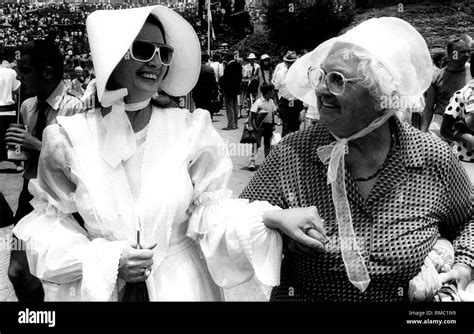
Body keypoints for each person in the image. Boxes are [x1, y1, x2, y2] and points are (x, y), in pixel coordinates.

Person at [11, 5, 287, 301]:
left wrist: (267, 219)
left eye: (164, 53)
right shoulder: (67, 137)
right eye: (143, 49)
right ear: (112, 54)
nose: (156, 61)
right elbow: (48, 226)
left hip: (183, 288)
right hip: (101, 292)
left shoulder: (190, 129)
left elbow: (212, 213)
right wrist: (107, 260)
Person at [240, 17, 474, 301]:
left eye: (337, 79)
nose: (322, 89)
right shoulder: (293, 152)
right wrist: (272, 219)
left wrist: (464, 265)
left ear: (380, 94)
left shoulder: (432, 156)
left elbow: (469, 220)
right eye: (320, 76)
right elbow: (233, 220)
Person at [5, 39, 85, 302]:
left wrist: (37, 145)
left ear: (48, 72)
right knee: (17, 270)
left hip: (65, 201)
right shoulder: (28, 106)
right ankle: (36, 314)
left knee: (73, 272)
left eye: (25, 71)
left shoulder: (75, 106)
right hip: (29, 199)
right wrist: (21, 148)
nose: (19, 77)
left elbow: (80, 161)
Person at [421, 35, 472, 137]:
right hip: (440, 125)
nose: (466, 55)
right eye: (462, 52)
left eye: (468, 51)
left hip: (467, 124)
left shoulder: (472, 72)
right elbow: (429, 108)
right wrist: (423, 134)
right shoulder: (436, 77)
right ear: (451, 54)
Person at [440, 52, 474, 184]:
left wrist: (462, 125)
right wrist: (465, 136)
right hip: (467, 161)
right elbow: (445, 130)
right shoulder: (461, 95)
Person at [272, 50, 303, 137]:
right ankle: (283, 148)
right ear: (285, 63)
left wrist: (304, 107)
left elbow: (304, 89)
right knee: (286, 126)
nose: (290, 65)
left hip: (297, 104)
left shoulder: (300, 73)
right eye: (288, 63)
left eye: (292, 62)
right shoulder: (280, 73)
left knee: (295, 127)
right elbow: (275, 90)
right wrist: (276, 104)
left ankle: (294, 148)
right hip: (284, 103)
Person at [247, 83, 277, 171]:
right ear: (268, 92)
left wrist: (273, 124)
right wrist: (250, 126)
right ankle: (252, 161)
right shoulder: (259, 102)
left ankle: (267, 162)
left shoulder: (271, 102)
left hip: (269, 126)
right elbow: (251, 115)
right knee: (256, 144)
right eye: (272, 91)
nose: (273, 93)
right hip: (259, 127)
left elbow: (272, 113)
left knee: (267, 145)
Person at [0, 60, 21, 167]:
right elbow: (18, 90)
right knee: (11, 137)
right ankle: (16, 162)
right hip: (8, 110)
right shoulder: (11, 73)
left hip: (6, 109)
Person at [192, 53, 219, 120]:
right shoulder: (210, 69)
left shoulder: (195, 69)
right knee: (207, 109)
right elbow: (213, 83)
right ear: (207, 59)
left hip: (197, 92)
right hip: (208, 93)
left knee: (199, 109)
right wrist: (216, 93)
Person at [221, 52, 242, 130]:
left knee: (229, 106)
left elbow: (225, 79)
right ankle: (235, 124)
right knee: (235, 106)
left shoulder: (228, 67)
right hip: (236, 89)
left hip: (228, 89)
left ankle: (231, 124)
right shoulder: (239, 65)